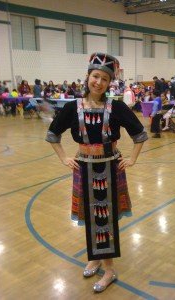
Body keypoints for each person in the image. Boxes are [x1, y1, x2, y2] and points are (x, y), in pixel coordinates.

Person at [45, 52, 147, 293]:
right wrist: (64, 158)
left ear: (109, 83)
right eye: (95, 76)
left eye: (104, 79)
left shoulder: (118, 107)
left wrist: (132, 158)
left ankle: (109, 269)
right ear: (87, 77)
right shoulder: (72, 107)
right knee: (92, 217)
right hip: (84, 168)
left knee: (105, 218)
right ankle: (95, 257)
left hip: (110, 167)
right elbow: (52, 135)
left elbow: (140, 134)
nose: (98, 82)